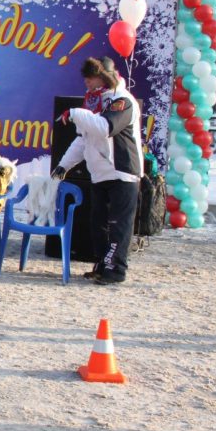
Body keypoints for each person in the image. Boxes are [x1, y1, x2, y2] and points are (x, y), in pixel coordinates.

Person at [53, 56, 143, 285]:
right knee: (98, 224)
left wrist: (74, 113)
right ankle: (102, 265)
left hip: (122, 172)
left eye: (90, 77)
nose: (86, 82)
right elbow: (82, 140)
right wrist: (64, 165)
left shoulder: (123, 101)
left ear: (103, 76)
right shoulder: (94, 104)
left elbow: (105, 127)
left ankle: (116, 270)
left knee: (118, 225)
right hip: (100, 173)